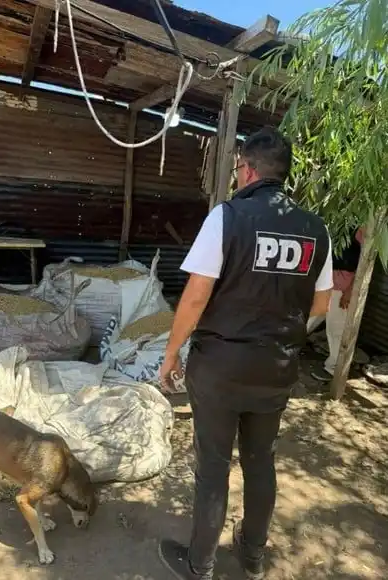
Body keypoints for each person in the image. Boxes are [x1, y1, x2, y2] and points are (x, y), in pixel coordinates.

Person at [156, 127, 334, 580]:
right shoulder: (316, 229)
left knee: (213, 467)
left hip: (220, 367)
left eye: (237, 169)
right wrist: (283, 331)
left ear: (249, 169)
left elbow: (196, 296)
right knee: (260, 461)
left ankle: (200, 565)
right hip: (277, 367)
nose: (237, 177)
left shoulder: (228, 217)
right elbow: (321, 303)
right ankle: (252, 554)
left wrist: (171, 352)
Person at [310, 226, 365, 382]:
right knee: (310, 318)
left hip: (343, 285)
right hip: (327, 282)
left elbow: (364, 259)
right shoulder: (338, 221)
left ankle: (334, 368)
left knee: (336, 328)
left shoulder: (360, 227)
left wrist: (350, 291)